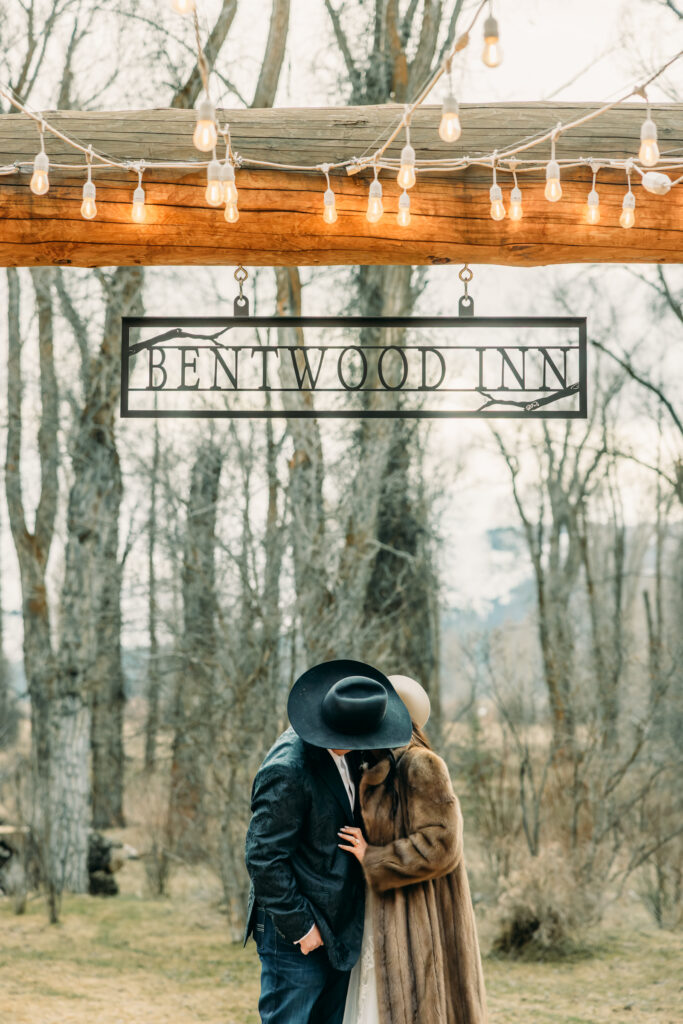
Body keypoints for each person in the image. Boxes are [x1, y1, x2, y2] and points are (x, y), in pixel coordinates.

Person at [243, 659, 413, 1024]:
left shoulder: (353, 756)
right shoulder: (288, 769)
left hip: (339, 927)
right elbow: (262, 858)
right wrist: (302, 927)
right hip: (296, 932)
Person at [339, 674, 488, 1024]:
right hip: (384, 912)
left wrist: (374, 857)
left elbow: (442, 844)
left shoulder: (421, 763)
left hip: (422, 916)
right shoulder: (377, 766)